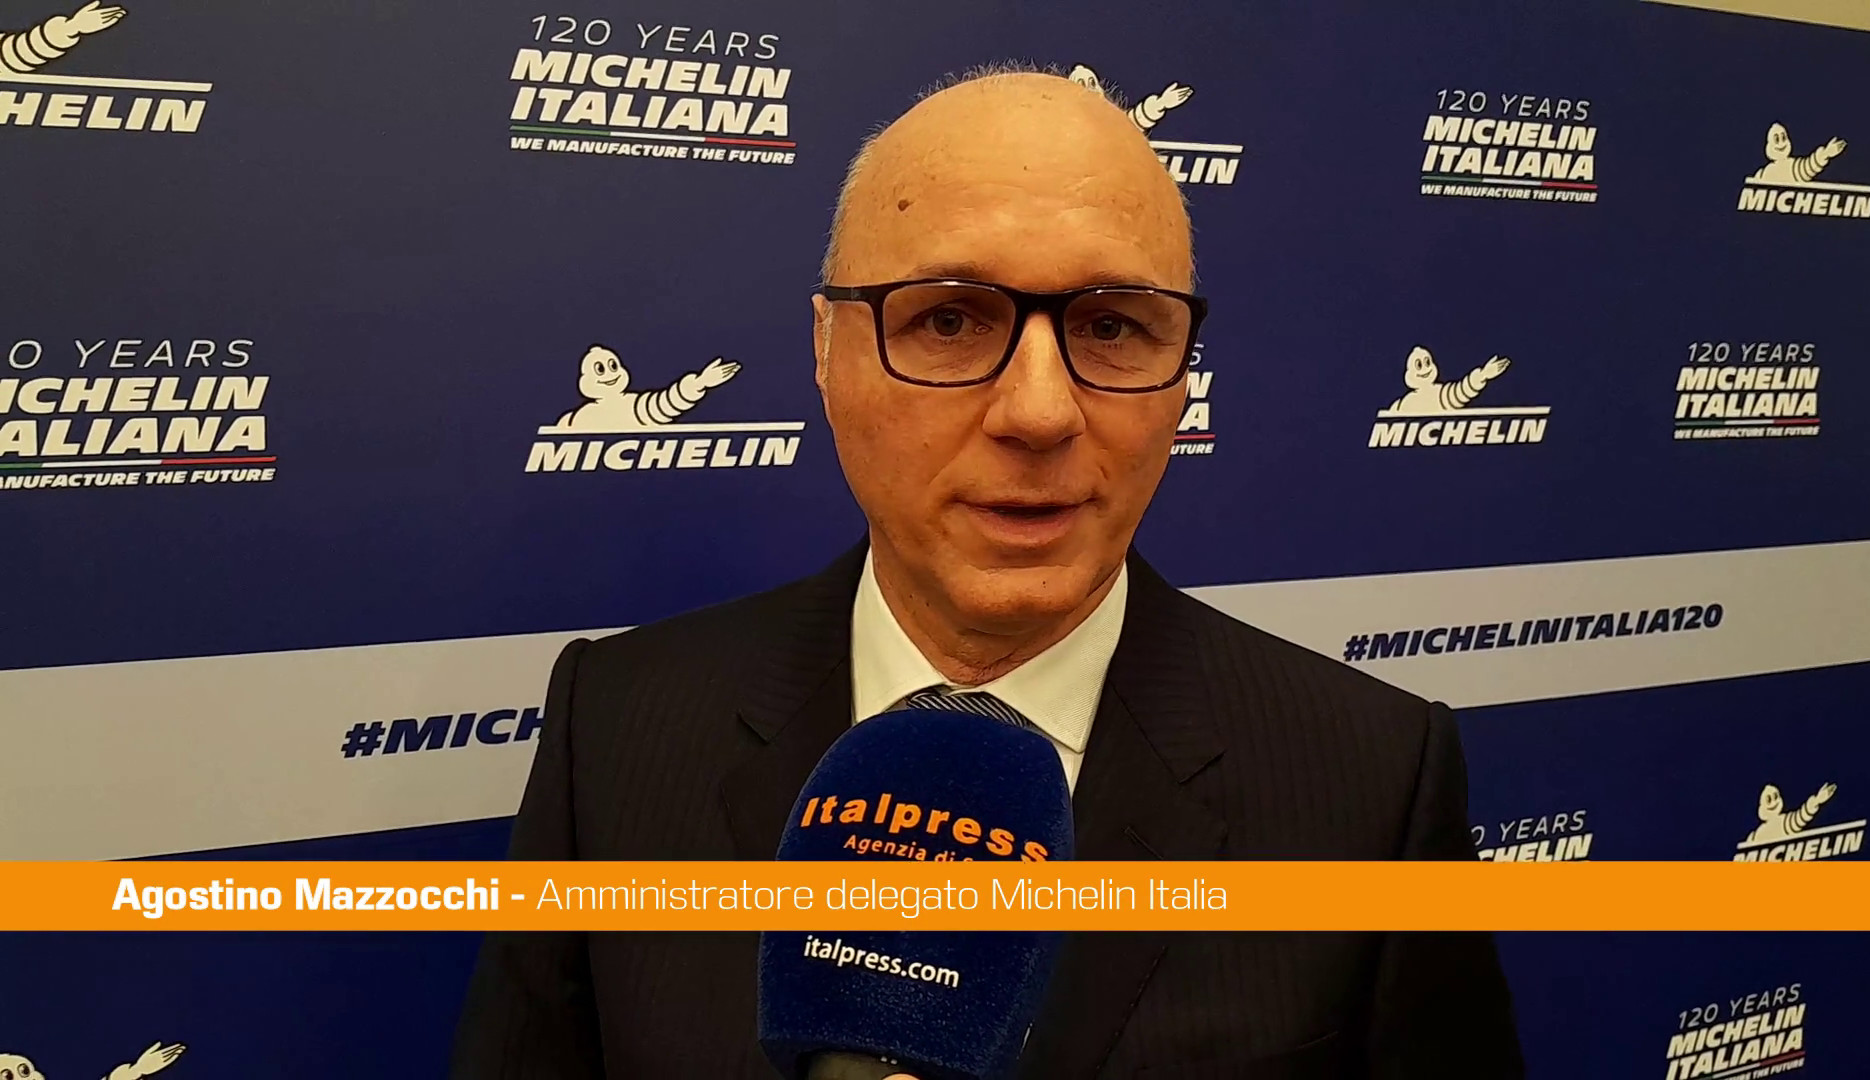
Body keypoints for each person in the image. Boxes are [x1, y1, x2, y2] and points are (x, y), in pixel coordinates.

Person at [451, 65, 1523, 1079]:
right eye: (951, 320)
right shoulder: (617, 726)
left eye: (1113, 326)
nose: (1040, 412)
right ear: (827, 352)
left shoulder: (1373, 783)